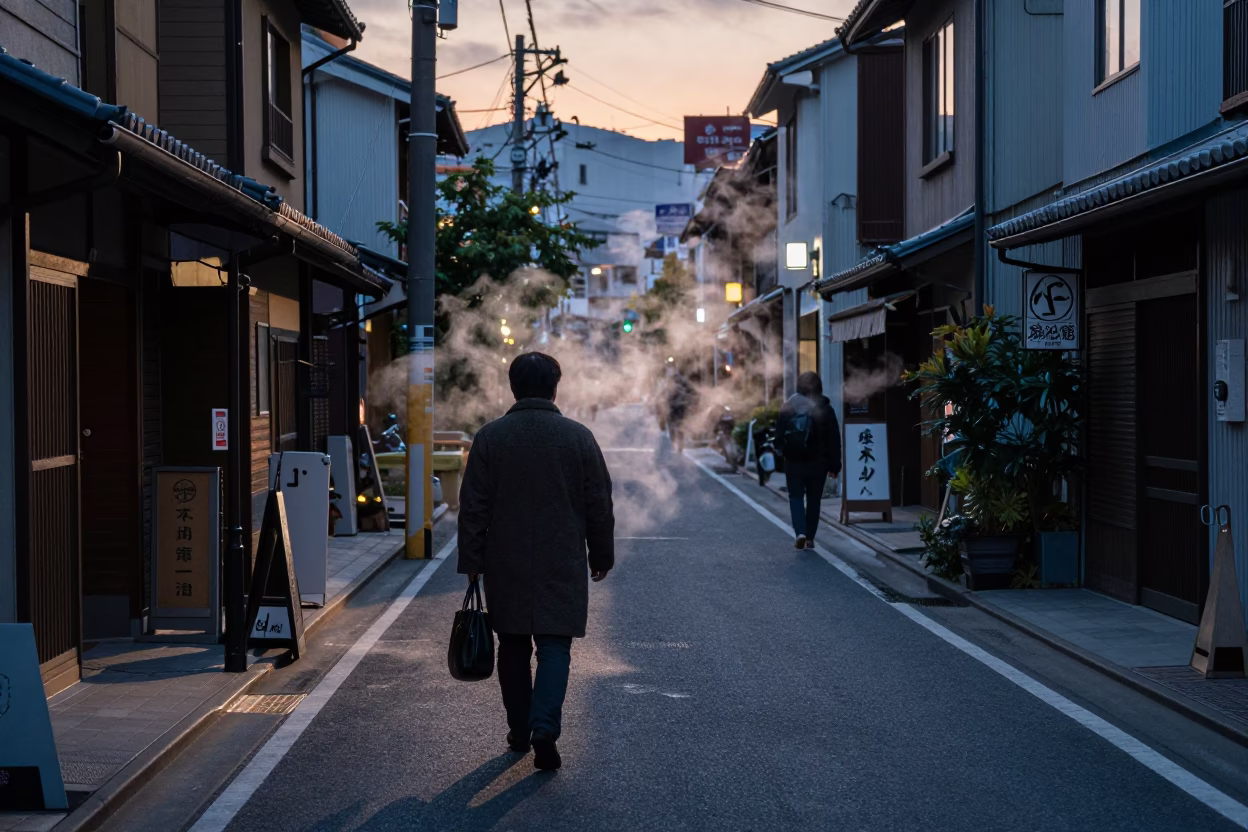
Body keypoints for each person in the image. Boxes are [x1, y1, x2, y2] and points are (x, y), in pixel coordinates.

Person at [457, 352, 615, 772]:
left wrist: (472, 558)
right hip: (561, 556)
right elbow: (599, 502)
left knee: (511, 644)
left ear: (513, 388)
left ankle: (518, 730)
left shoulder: (491, 437)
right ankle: (544, 726)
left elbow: (473, 505)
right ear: (554, 388)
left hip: (504, 556)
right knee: (553, 645)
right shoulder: (578, 437)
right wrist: (600, 554)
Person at [775, 371, 842, 549]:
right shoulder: (825, 408)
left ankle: (800, 532)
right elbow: (834, 439)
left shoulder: (789, 406)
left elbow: (779, 434)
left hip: (794, 461)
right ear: (819, 387)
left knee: (795, 496)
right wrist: (835, 465)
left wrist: (781, 452)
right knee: (814, 499)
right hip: (818, 463)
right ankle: (810, 537)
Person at [665, 368, 697, 453]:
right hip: (679, 406)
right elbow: (692, 392)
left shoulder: (671, 383)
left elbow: (664, 395)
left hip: (675, 406)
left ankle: (676, 443)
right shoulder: (683, 382)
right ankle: (679, 443)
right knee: (679, 426)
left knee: (674, 425)